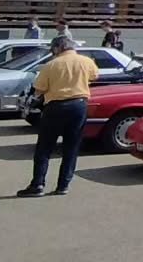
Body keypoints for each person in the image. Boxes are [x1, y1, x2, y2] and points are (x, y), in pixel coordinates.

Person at [19, 36, 99, 196]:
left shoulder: (51, 65)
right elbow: (94, 76)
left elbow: (39, 89)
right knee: (71, 147)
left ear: (57, 48)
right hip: (79, 104)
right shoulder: (86, 61)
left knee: (45, 147)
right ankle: (63, 185)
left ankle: (38, 184)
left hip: (56, 106)